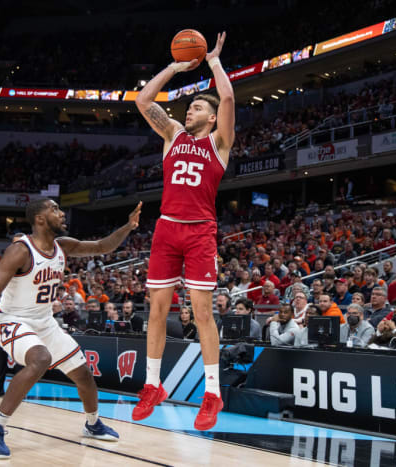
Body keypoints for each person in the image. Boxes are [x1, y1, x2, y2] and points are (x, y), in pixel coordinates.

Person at [0, 199, 141, 458]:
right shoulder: (20, 251)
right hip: (12, 320)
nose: (61, 213)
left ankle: (92, 424)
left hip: (44, 322)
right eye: (55, 209)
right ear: (39, 218)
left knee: (84, 375)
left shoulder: (63, 246)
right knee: (40, 359)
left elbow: (102, 246)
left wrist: (128, 227)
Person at [134, 32, 235, 431]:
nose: (188, 111)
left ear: (210, 118)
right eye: (188, 106)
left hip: (200, 232)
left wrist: (213, 62)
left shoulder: (220, 143)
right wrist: (175, 67)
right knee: (157, 310)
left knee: (203, 312)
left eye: (197, 107)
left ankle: (212, 393)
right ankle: (152, 384)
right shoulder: (172, 134)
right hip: (166, 229)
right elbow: (144, 101)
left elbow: (227, 98)